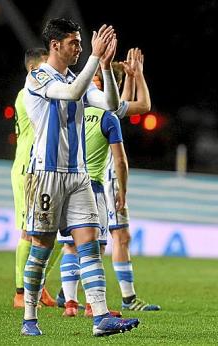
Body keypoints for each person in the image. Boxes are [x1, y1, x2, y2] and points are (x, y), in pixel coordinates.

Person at [21, 17, 139, 336]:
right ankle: (29, 317)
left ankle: (100, 317)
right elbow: (72, 93)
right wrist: (95, 59)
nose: (80, 47)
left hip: (78, 176)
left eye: (81, 43)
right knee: (43, 248)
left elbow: (112, 105)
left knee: (90, 243)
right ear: (56, 45)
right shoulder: (38, 77)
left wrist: (105, 68)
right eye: (75, 42)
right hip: (45, 175)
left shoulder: (79, 76)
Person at [56, 48, 159, 316]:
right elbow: (137, 107)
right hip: (103, 182)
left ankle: (67, 297)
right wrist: (137, 77)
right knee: (102, 241)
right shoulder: (103, 114)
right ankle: (102, 300)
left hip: (67, 180)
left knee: (76, 242)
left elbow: (120, 103)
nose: (98, 86)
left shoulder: (72, 109)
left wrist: (132, 77)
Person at [11, 48, 61, 309]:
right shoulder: (26, 95)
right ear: (34, 71)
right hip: (26, 170)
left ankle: (38, 285)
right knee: (28, 231)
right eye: (45, 69)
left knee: (55, 233)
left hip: (43, 169)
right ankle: (21, 293)